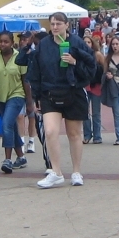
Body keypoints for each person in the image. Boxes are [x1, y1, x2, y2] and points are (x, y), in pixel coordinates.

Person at [26, 12, 97, 188]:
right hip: (50, 93)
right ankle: (56, 172)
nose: (55, 27)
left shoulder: (77, 43)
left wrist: (75, 62)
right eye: (52, 24)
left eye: (58, 23)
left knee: (74, 134)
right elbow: (35, 71)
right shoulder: (44, 45)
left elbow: (91, 68)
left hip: (73, 92)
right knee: (50, 131)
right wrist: (36, 96)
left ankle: (76, 172)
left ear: (67, 25)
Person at [0, 31, 31, 174]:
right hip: (1, 97)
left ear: (12, 43)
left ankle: (7, 159)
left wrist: (29, 102)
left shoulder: (20, 56)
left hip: (17, 95)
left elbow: (25, 80)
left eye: (6, 41)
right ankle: (21, 157)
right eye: (0, 41)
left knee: (6, 124)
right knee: (11, 126)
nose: (2, 44)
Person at [82, 35, 106, 144]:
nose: (87, 44)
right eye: (85, 42)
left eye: (88, 42)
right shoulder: (80, 55)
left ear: (92, 43)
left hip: (96, 86)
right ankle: (87, 135)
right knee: (85, 112)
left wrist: (103, 79)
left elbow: (105, 67)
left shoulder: (97, 54)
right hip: (85, 86)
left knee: (96, 113)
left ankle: (97, 136)